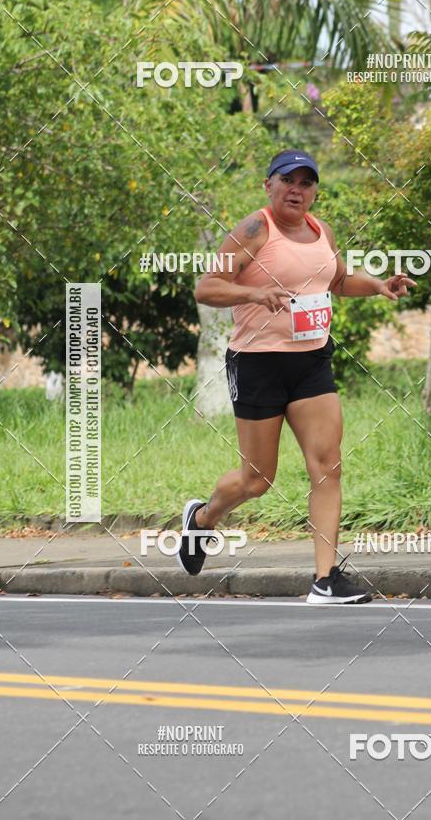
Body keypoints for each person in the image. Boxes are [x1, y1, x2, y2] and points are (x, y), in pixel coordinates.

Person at [177, 149, 416, 604]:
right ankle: (203, 519)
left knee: (328, 465)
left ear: (314, 192)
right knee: (256, 480)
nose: (297, 190)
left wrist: (380, 286)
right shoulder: (254, 229)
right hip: (257, 363)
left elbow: (339, 281)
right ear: (269, 185)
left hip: (310, 363)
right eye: (289, 180)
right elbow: (206, 288)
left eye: (306, 183)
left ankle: (325, 579)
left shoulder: (320, 230)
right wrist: (253, 292)